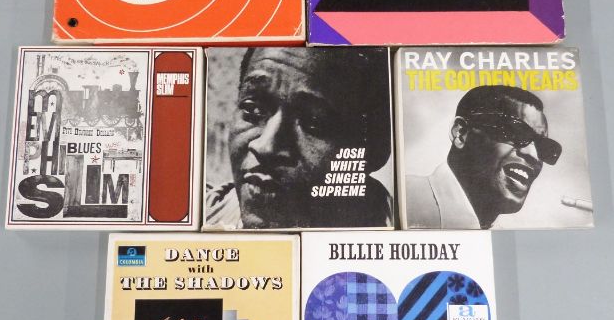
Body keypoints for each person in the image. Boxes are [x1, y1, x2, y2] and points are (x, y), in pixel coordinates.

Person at [206, 48, 393, 229]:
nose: (265, 147)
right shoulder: (205, 216)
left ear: (376, 150)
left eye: (314, 122)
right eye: (253, 109)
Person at [406, 85, 562, 229]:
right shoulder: (400, 199)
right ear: (461, 133)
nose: (534, 155)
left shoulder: (502, 240)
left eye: (544, 147)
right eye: (516, 132)